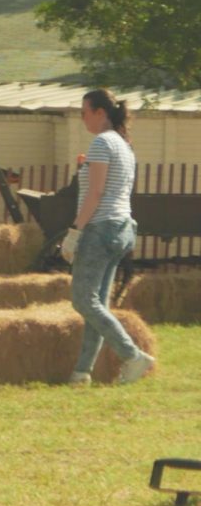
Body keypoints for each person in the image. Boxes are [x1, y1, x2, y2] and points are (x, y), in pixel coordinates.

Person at [62, 88, 155, 386]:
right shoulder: (124, 146)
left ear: (100, 112)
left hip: (100, 229)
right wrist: (85, 166)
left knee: (82, 300)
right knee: (96, 303)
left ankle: (131, 355)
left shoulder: (102, 142)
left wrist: (74, 231)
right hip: (124, 228)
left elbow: (96, 192)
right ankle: (81, 373)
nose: (82, 118)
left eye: (84, 112)